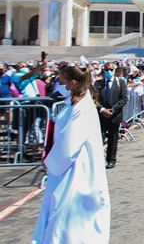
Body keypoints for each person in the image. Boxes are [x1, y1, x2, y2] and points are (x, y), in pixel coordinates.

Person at [33, 64, 110, 244]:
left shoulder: (82, 108)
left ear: (72, 83)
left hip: (75, 168)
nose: (58, 83)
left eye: (61, 80)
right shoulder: (75, 102)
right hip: (70, 166)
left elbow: (69, 146)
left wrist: (49, 161)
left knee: (67, 215)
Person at [94, 62, 127, 169]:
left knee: (113, 139)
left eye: (111, 70)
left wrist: (112, 110)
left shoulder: (121, 83)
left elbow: (124, 99)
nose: (109, 72)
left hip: (114, 115)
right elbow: (95, 99)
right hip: (102, 115)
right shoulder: (98, 83)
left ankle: (111, 160)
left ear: (115, 71)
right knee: (99, 138)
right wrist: (102, 110)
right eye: (107, 69)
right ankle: (97, 160)